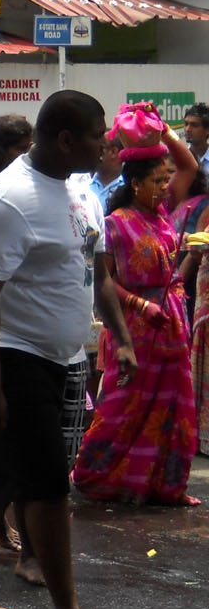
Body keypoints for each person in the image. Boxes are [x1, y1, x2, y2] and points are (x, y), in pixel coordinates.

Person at [0, 89, 129, 609]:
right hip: (5, 349)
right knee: (47, 479)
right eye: (99, 135)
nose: (107, 145)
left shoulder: (81, 189)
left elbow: (93, 270)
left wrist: (120, 337)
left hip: (61, 354)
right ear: (68, 139)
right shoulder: (7, 201)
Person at [72, 106, 201, 505]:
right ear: (136, 184)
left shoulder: (163, 214)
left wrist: (161, 129)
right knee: (123, 407)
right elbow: (105, 280)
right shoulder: (115, 222)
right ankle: (96, 475)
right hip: (133, 326)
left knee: (173, 407)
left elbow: (189, 164)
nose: (165, 187)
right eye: (157, 181)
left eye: (166, 180)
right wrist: (143, 308)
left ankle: (166, 485)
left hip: (172, 325)